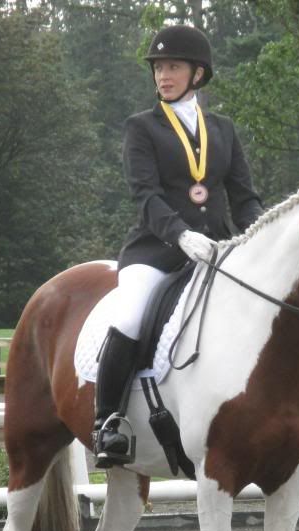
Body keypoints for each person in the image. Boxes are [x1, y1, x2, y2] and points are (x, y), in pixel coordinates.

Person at [92, 24, 264, 467]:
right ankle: (107, 422)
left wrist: (259, 238)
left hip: (218, 252)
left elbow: (244, 196)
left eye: (172, 67)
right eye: (158, 68)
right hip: (156, 249)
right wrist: (181, 234)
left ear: (197, 74)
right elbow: (145, 195)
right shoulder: (141, 128)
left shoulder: (222, 130)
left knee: (268, 311)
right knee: (130, 316)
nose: (163, 76)